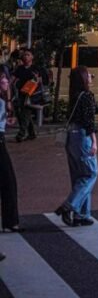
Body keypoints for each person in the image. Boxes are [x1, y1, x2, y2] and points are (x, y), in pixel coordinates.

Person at [55, 66, 98, 227]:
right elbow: (89, 122)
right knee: (90, 173)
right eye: (88, 74)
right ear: (83, 78)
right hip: (82, 136)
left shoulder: (74, 95)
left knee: (78, 176)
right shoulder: (87, 96)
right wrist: (94, 141)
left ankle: (82, 214)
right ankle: (70, 205)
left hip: (71, 137)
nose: (91, 77)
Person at [0, 68, 20, 231]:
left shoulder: (4, 99)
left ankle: (10, 222)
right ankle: (10, 222)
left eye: (6, 80)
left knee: (8, 182)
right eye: (2, 80)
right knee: (8, 182)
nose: (6, 82)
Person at [12, 50, 41, 142]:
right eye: (24, 55)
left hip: (31, 95)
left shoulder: (35, 68)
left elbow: (40, 80)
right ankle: (32, 133)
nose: (25, 57)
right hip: (21, 93)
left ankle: (21, 134)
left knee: (25, 113)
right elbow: (12, 78)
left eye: (28, 55)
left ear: (32, 57)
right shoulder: (19, 68)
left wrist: (37, 78)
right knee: (23, 113)